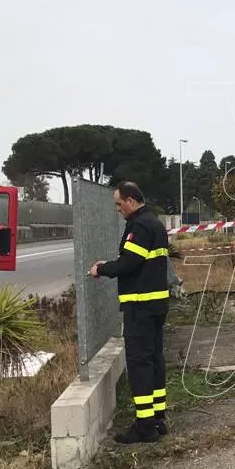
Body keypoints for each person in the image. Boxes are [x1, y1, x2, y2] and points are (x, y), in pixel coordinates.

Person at [90, 181, 170, 443]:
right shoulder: (154, 223)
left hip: (141, 306)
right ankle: (158, 417)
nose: (117, 209)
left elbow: (129, 264)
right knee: (155, 358)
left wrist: (101, 269)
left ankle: (145, 426)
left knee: (139, 363)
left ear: (132, 201)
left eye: (119, 203)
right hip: (156, 304)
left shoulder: (139, 226)